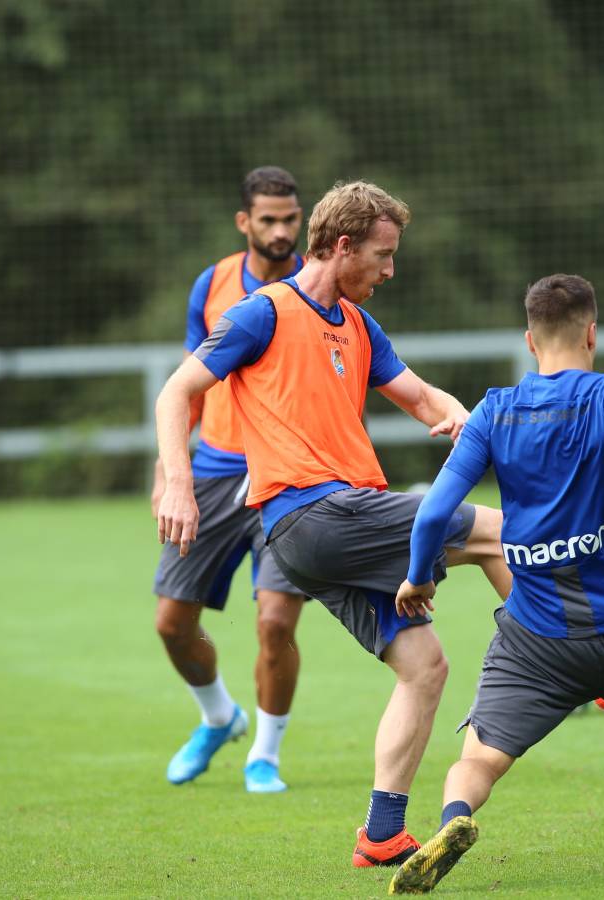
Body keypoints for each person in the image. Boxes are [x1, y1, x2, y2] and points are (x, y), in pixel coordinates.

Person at [155, 180, 513, 867]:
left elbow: (418, 395)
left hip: (324, 535)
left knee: (425, 668)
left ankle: (382, 835)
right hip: (317, 514)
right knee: (500, 531)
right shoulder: (263, 313)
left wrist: (458, 413)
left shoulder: (357, 325)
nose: (389, 270)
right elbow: (177, 392)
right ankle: (568, 649)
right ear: (343, 246)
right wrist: (177, 482)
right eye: (382, 254)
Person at [386, 274, 604, 895]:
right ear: (592, 333)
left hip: (536, 636)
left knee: (481, 756)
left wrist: (416, 578)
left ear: (529, 341)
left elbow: (435, 509)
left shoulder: (493, 410)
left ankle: (455, 820)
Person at [151, 166, 310, 794]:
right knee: (171, 623)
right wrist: (171, 474)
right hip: (214, 471)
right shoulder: (212, 284)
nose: (279, 230)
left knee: (275, 622)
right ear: (244, 222)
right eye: (267, 219)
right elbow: (188, 386)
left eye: (289, 219)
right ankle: (219, 717)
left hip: (288, 477)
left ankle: (264, 755)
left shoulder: (317, 288)